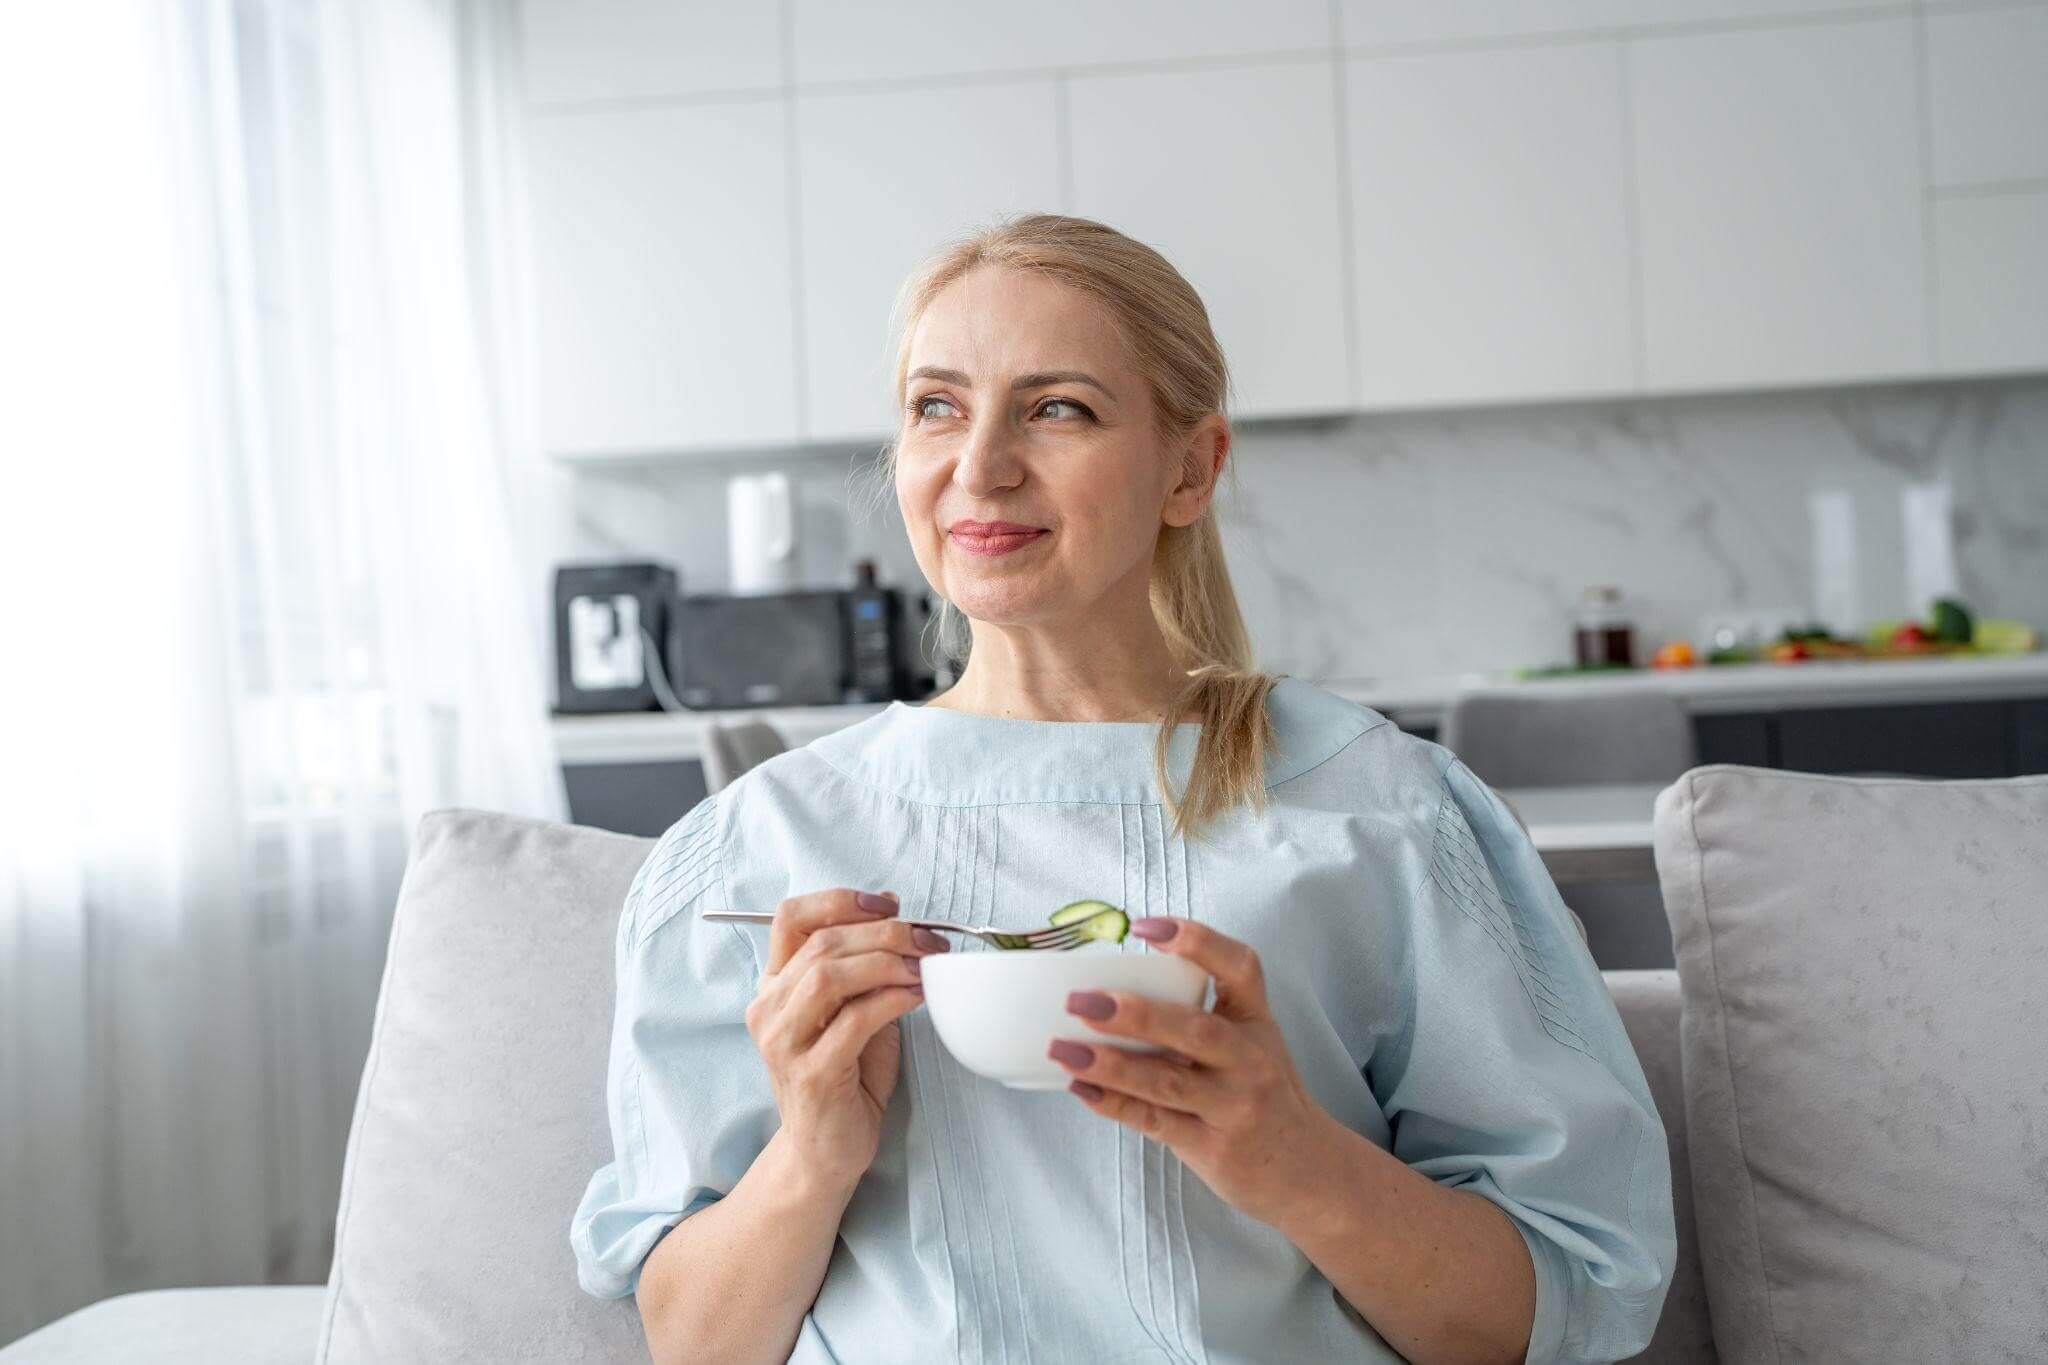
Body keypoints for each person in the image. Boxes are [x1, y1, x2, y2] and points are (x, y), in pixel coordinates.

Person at [570, 213, 1675, 1364]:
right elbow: (691, 1343)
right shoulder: (757, 844)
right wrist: (811, 1148)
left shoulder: (1380, 811)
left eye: (1057, 409)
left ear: (1189, 469)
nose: (979, 465)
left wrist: (1292, 1158)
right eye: (936, 407)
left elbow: (1550, 1310)